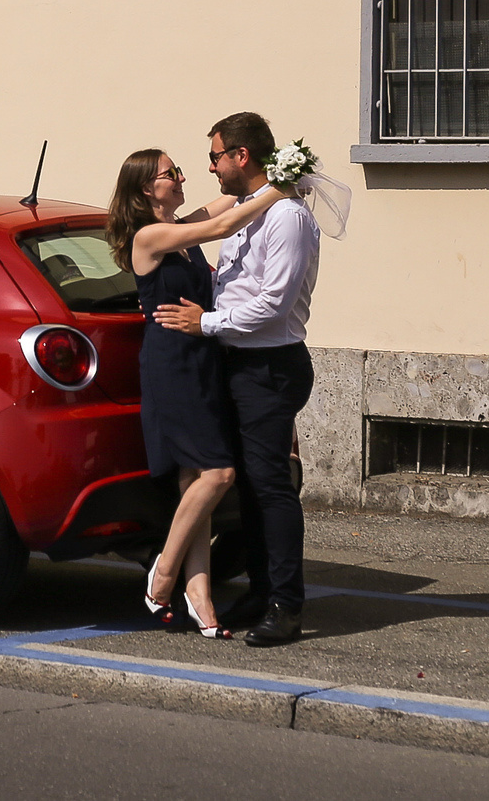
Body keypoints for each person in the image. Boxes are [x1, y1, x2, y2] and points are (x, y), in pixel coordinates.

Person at [153, 111, 320, 647]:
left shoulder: (286, 218)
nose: (210, 167)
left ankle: (286, 604)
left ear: (241, 157)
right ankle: (261, 589)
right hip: (235, 361)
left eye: (216, 156)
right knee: (249, 486)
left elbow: (272, 305)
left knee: (271, 485)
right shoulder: (250, 210)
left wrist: (204, 323)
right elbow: (227, 269)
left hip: (268, 365)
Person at [105, 147, 286, 637]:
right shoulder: (151, 236)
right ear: (147, 188)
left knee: (195, 484)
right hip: (172, 367)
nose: (182, 177)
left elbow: (218, 209)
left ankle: (200, 597)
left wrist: (273, 177)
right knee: (220, 473)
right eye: (172, 173)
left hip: (202, 359)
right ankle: (162, 575)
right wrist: (280, 190)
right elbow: (219, 228)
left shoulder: (179, 228)